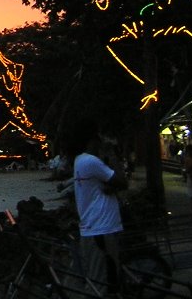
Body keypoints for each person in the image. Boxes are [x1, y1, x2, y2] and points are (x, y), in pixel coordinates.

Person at [64, 116, 127, 297]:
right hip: (101, 227)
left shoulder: (81, 161)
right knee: (103, 282)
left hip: (94, 226)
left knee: (101, 279)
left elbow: (107, 185)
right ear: (93, 138)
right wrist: (112, 152)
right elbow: (122, 181)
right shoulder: (91, 161)